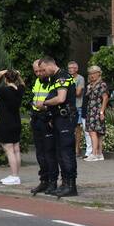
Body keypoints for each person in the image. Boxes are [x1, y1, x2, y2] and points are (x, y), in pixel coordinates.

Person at [38, 56, 78, 197]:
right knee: (60, 152)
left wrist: (44, 103)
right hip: (59, 118)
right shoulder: (55, 78)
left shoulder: (62, 77)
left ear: (50, 65)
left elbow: (61, 98)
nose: (43, 72)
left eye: (43, 69)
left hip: (66, 118)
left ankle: (71, 185)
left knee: (66, 152)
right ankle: (65, 183)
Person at [0, 68, 25, 185]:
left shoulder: (4, 90)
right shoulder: (20, 90)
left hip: (6, 123)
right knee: (16, 149)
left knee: (9, 150)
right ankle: (16, 175)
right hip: (17, 122)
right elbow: (23, 83)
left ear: (6, 79)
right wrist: (18, 76)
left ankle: (14, 176)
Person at [28, 60, 58, 196]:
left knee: (49, 153)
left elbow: (56, 100)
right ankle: (43, 180)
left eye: (41, 71)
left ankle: (52, 182)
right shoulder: (37, 81)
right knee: (40, 152)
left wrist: (50, 116)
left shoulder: (53, 81)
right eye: (36, 71)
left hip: (47, 117)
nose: (39, 74)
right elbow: (36, 98)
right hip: (37, 117)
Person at [84, 65, 109, 162]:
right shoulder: (90, 85)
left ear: (99, 73)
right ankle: (99, 154)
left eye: (94, 73)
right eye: (90, 73)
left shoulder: (102, 84)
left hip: (97, 110)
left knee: (93, 131)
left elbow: (105, 98)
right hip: (91, 110)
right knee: (96, 133)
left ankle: (94, 153)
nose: (92, 75)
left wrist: (102, 112)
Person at [68, 61, 92, 159]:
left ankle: (77, 149)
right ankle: (70, 149)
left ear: (76, 69)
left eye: (72, 68)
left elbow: (78, 93)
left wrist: (66, 92)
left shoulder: (80, 78)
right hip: (69, 106)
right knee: (70, 129)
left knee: (77, 128)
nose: (70, 70)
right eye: (69, 68)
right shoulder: (67, 78)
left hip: (78, 106)